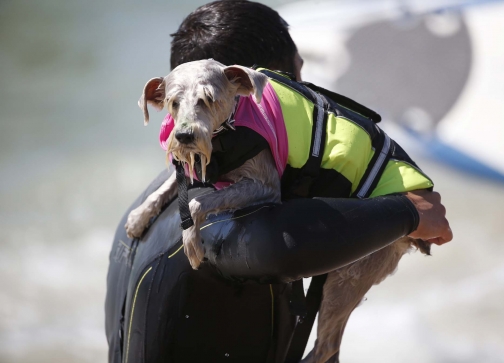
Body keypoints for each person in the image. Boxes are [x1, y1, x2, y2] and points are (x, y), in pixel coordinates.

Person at [105, 2, 452, 363]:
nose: (306, 96)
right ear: (245, 87)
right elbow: (279, 245)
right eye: (296, 79)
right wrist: (406, 212)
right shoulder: (214, 216)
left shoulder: (153, 202)